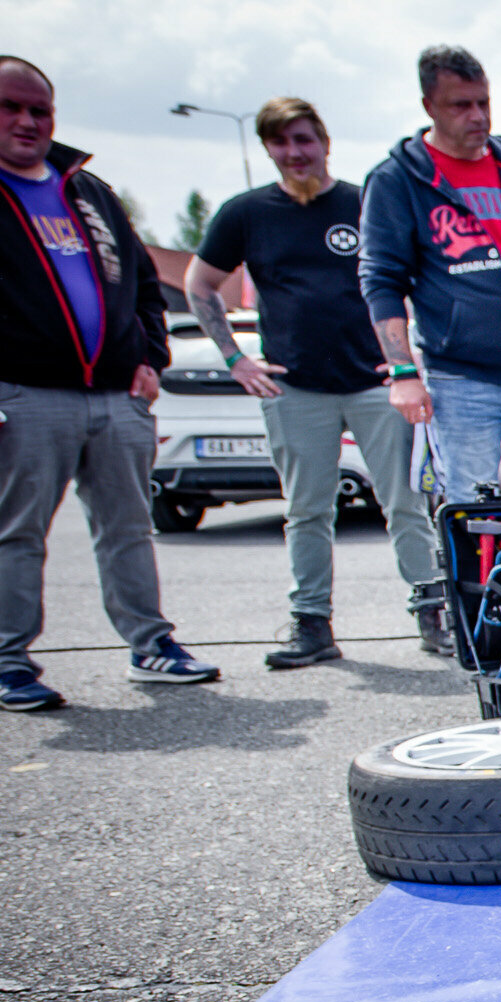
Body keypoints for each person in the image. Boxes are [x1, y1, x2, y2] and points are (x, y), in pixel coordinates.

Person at [187, 96, 451, 668]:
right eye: (281, 143)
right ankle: (311, 623)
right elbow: (201, 284)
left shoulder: (364, 204)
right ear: (268, 149)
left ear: (324, 141)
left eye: (304, 139)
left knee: (405, 501)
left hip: (375, 383)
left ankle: (433, 612)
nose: (294, 152)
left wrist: (407, 361)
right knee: (307, 509)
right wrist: (236, 359)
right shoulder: (246, 213)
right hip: (296, 386)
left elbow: (414, 280)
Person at [0, 55, 220, 711]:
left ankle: (152, 645)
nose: (27, 121)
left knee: (128, 527)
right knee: (16, 532)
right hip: (26, 394)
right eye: (10, 107)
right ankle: (9, 658)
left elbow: (146, 283)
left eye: (39, 109)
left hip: (117, 395)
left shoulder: (88, 190)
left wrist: (152, 356)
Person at [357, 44, 501, 504]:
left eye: (484, 102)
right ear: (429, 107)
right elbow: (381, 281)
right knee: (473, 518)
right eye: (461, 105)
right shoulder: (397, 180)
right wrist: (403, 371)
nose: (477, 116)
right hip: (463, 381)